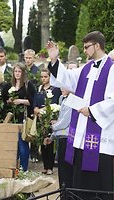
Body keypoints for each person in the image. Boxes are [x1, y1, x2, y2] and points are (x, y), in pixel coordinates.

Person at [46, 31, 114, 200]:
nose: (84, 51)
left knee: (98, 183)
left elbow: (113, 100)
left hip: (102, 137)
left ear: (97, 45)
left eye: (86, 47)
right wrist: (55, 60)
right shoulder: (86, 67)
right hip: (81, 135)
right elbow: (67, 78)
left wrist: (91, 111)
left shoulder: (111, 69)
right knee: (80, 181)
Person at [2, 62, 36, 171]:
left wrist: (20, 101)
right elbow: (3, 100)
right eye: (15, 71)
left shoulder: (27, 85)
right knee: (12, 146)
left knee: (22, 145)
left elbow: (33, 101)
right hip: (12, 117)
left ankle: (23, 169)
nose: (17, 74)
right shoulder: (8, 85)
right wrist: (9, 101)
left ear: (23, 73)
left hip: (23, 118)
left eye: (19, 71)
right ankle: (13, 168)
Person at [33, 68, 61, 175]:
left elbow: (54, 104)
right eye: (42, 77)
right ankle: (45, 166)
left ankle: (50, 167)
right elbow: (35, 103)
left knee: (50, 142)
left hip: (50, 119)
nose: (43, 79)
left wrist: (44, 111)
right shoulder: (39, 89)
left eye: (45, 76)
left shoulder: (55, 89)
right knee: (42, 142)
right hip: (40, 119)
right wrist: (37, 110)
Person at [44, 88, 73, 190]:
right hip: (61, 137)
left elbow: (65, 121)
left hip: (68, 138)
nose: (61, 88)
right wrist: (52, 137)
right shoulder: (63, 98)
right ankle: (63, 192)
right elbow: (60, 118)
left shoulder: (72, 100)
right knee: (62, 170)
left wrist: (51, 127)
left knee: (66, 170)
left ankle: (66, 194)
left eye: (64, 86)